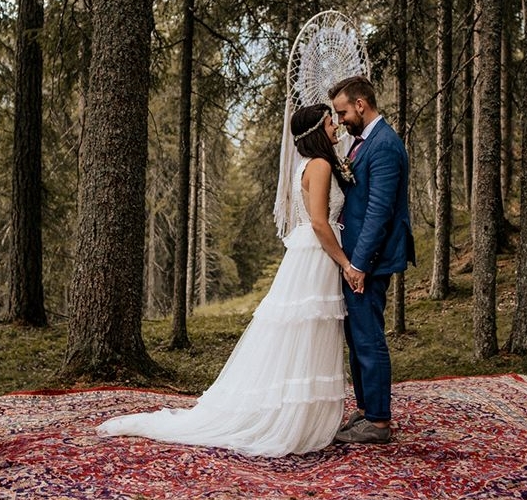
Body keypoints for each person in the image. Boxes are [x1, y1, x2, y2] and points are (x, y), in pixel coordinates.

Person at [97, 104, 354, 457]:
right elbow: (320, 223)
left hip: (308, 255)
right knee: (309, 333)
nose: (335, 127)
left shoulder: (305, 165)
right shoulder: (321, 165)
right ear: (316, 132)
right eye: (329, 123)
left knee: (305, 334)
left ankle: (300, 413)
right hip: (319, 254)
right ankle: (295, 418)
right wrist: (346, 264)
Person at [329, 75, 414, 445]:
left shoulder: (384, 145)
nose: (341, 120)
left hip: (370, 261)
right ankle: (365, 409)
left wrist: (359, 265)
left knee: (369, 337)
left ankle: (378, 422)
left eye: (343, 112)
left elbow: (379, 211)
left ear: (360, 105)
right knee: (357, 335)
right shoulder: (364, 142)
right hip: (358, 258)